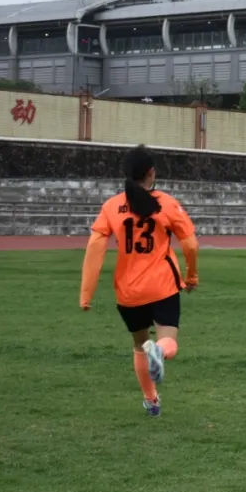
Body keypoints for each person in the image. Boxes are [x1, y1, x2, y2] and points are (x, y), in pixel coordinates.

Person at [80, 144, 199, 417]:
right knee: (167, 340)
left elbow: (95, 249)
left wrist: (86, 294)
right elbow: (190, 244)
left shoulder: (112, 207)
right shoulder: (167, 203)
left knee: (139, 345)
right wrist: (191, 275)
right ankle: (161, 351)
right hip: (162, 286)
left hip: (128, 292)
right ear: (151, 173)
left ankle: (151, 401)